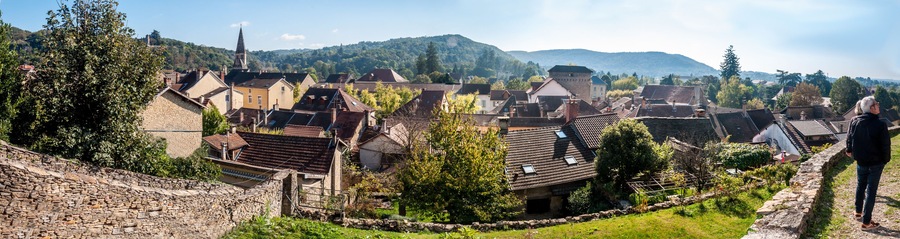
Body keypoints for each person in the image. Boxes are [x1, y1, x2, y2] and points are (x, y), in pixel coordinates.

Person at [846, 96, 890, 230]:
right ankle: (866, 222)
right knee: (871, 191)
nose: (878, 105)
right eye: (876, 104)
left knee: (860, 186)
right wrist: (886, 160)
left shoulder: (854, 121)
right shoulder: (880, 124)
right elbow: (885, 145)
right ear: (872, 108)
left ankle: (858, 211)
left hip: (861, 161)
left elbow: (849, 137)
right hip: (876, 163)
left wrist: (849, 150)